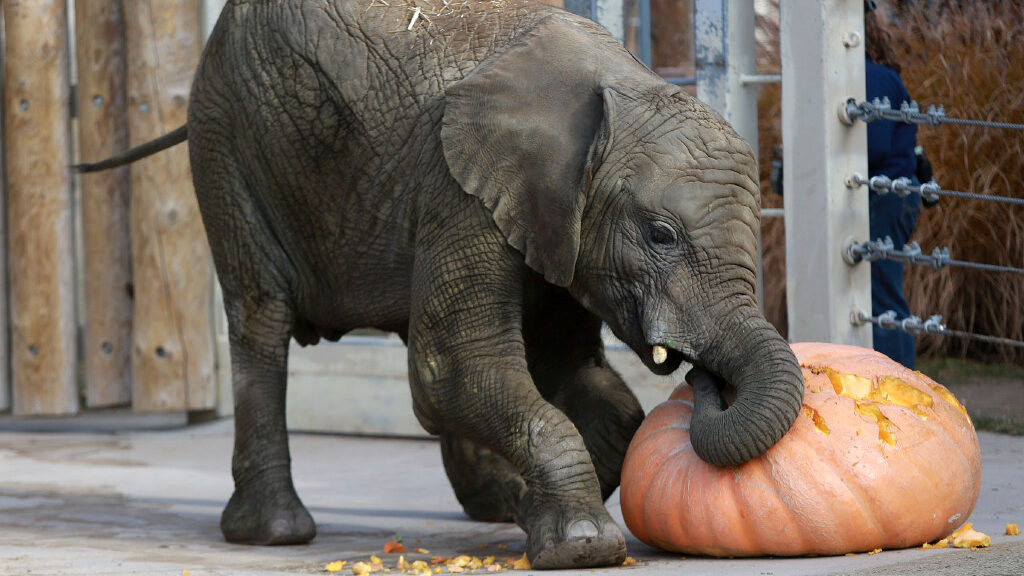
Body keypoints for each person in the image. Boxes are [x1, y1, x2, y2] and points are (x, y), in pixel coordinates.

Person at [863, 0, 923, 369]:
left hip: (883, 198)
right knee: (876, 296)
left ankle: (899, 387)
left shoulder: (871, 77)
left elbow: (869, 146)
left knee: (881, 299)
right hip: (887, 194)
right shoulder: (881, 74)